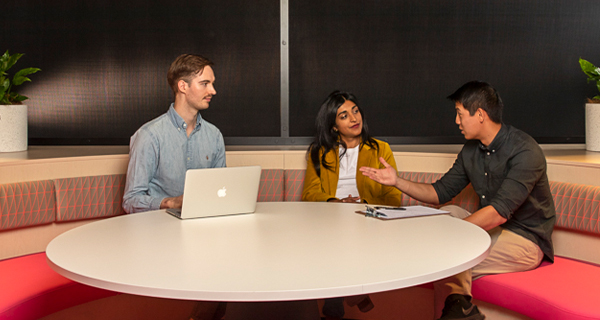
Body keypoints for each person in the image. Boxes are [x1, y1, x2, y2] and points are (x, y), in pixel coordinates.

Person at [360, 81, 555, 320]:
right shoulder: (471, 150)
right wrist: (397, 181)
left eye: (460, 114)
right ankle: (461, 310)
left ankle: (458, 313)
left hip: (525, 239)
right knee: (450, 210)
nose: (456, 121)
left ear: (480, 115)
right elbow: (439, 192)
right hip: (491, 230)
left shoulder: (525, 151)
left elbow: (498, 213)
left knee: (449, 255)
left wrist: (454, 235)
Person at [302, 90, 403, 319]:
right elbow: (308, 194)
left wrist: (361, 206)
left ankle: (335, 301)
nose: (354, 118)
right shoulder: (320, 152)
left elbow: (394, 199)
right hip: (330, 218)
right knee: (332, 235)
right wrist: (336, 203)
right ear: (334, 125)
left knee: (338, 239)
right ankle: (352, 296)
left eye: (355, 111)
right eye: (344, 115)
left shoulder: (380, 149)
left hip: (365, 218)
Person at [122, 54, 225, 214]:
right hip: (159, 230)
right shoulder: (149, 135)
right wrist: (171, 202)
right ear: (183, 86)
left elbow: (221, 191)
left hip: (203, 228)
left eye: (212, 84)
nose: (213, 91)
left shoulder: (214, 135)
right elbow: (131, 201)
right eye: (205, 84)